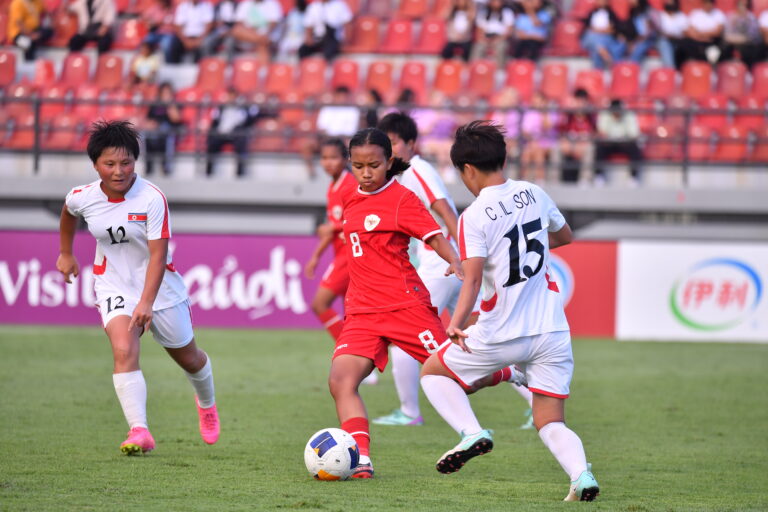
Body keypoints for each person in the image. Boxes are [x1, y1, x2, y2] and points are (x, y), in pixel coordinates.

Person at [419, 121, 600, 502]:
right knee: (550, 420)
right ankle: (581, 476)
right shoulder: (533, 193)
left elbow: (470, 280)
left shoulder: (474, 215)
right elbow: (565, 236)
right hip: (551, 331)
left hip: (502, 331)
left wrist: (454, 323)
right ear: (502, 158)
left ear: (467, 169)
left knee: (434, 372)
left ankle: (472, 432)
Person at [330, 128, 524, 478]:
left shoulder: (402, 198)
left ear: (389, 162)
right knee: (341, 381)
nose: (366, 173)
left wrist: (455, 260)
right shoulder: (350, 198)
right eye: (358, 166)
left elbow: (434, 235)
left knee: (460, 378)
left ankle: (507, 371)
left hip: (405, 307)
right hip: (361, 311)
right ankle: (360, 459)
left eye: (373, 164)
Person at [56, 120, 220, 455]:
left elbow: (158, 257)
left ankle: (207, 404)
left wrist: (146, 302)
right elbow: (68, 213)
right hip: (113, 283)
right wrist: (65, 252)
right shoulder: (83, 197)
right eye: (110, 164)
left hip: (160, 289)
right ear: (95, 165)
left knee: (189, 358)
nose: (119, 171)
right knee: (123, 349)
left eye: (127, 162)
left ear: (136, 161)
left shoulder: (152, 198)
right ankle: (140, 430)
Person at [371, 112, 462, 427]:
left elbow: (443, 208)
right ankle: (534, 401)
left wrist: (458, 256)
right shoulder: (400, 175)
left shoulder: (416, 170)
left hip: (445, 261)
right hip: (449, 260)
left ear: (411, 144)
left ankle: (409, 412)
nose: (390, 149)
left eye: (395, 142)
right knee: (481, 337)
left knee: (403, 332)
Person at [304, 138, 357, 343]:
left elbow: (357, 220)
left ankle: (346, 348)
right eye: (324, 158)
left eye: (334, 157)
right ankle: (358, 362)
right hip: (340, 253)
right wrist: (316, 257)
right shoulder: (333, 186)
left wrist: (331, 227)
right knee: (350, 314)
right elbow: (332, 229)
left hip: (348, 255)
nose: (328, 162)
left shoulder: (349, 184)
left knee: (319, 304)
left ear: (345, 159)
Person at [302, 86, 360, 178]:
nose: (342, 99)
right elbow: (321, 129)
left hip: (343, 141)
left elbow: (350, 132)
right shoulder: (327, 109)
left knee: (350, 145)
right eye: (339, 96)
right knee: (308, 145)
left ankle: (351, 171)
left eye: (344, 97)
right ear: (335, 96)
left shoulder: (353, 111)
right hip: (327, 139)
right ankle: (311, 173)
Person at [206, 88, 260, 177]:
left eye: (233, 96)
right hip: (221, 133)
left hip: (235, 134)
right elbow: (214, 121)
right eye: (229, 96)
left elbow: (250, 118)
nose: (231, 98)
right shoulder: (221, 108)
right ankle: (208, 173)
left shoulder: (243, 108)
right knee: (212, 142)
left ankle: (240, 174)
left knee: (241, 142)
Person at [595, 98, 642, 185]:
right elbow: (601, 132)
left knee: (634, 148)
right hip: (609, 144)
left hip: (624, 144)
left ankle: (633, 178)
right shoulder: (604, 114)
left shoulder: (629, 115)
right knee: (599, 147)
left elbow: (634, 134)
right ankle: (599, 176)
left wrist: (625, 138)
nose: (616, 114)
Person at [556, 88, 596, 184]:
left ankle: (585, 180)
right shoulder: (568, 115)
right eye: (578, 101)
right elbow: (561, 132)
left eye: (583, 101)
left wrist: (583, 143)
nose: (580, 104)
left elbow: (594, 134)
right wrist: (565, 142)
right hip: (569, 144)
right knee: (556, 148)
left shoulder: (591, 116)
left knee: (590, 149)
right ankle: (554, 180)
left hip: (583, 145)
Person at [143, 82, 182, 176]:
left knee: (166, 130)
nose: (165, 95)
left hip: (169, 132)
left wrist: (169, 104)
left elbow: (176, 118)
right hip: (155, 132)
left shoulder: (174, 105)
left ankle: (166, 168)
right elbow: (148, 120)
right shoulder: (155, 105)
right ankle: (148, 168)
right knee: (146, 134)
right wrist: (152, 125)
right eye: (164, 93)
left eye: (168, 93)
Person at [520, 90, 559, 183]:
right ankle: (525, 180)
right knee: (527, 153)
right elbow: (525, 132)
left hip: (548, 143)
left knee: (538, 151)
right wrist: (533, 140)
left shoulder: (550, 112)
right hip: (533, 143)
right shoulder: (530, 113)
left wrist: (543, 113)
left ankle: (540, 181)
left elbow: (547, 126)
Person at [580, 0, 625, 69]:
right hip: (591, 38)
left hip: (605, 38)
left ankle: (598, 70)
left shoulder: (611, 14)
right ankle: (604, 53)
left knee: (596, 50)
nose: (601, 2)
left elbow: (613, 30)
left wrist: (598, 30)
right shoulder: (591, 13)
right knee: (591, 37)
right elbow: (588, 28)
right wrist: (602, 30)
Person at [471, 0, 515, 68]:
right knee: (478, 47)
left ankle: (499, 70)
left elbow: (509, 31)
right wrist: (485, 39)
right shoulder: (483, 13)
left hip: (500, 38)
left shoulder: (507, 13)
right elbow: (479, 30)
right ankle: (475, 68)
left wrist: (497, 40)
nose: (495, 3)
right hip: (486, 38)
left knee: (501, 48)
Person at [679, 0, 725, 65]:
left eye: (710, 3)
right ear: (703, 4)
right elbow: (690, 30)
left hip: (712, 41)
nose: (708, 5)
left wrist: (702, 34)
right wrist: (702, 37)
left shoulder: (718, 14)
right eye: (706, 3)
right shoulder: (695, 14)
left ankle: (712, 67)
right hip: (697, 41)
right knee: (684, 43)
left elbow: (717, 32)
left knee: (722, 46)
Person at [719, 0, 761, 69]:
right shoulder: (731, 16)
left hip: (746, 45)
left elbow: (751, 37)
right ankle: (720, 70)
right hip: (731, 43)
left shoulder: (751, 18)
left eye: (745, 5)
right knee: (723, 48)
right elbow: (726, 35)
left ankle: (749, 71)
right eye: (740, 5)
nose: (742, 8)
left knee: (752, 50)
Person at [654, 0, 688, 68]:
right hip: (664, 40)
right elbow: (658, 31)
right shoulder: (660, 15)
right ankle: (670, 69)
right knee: (664, 43)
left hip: (678, 40)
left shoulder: (681, 16)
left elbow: (686, 32)